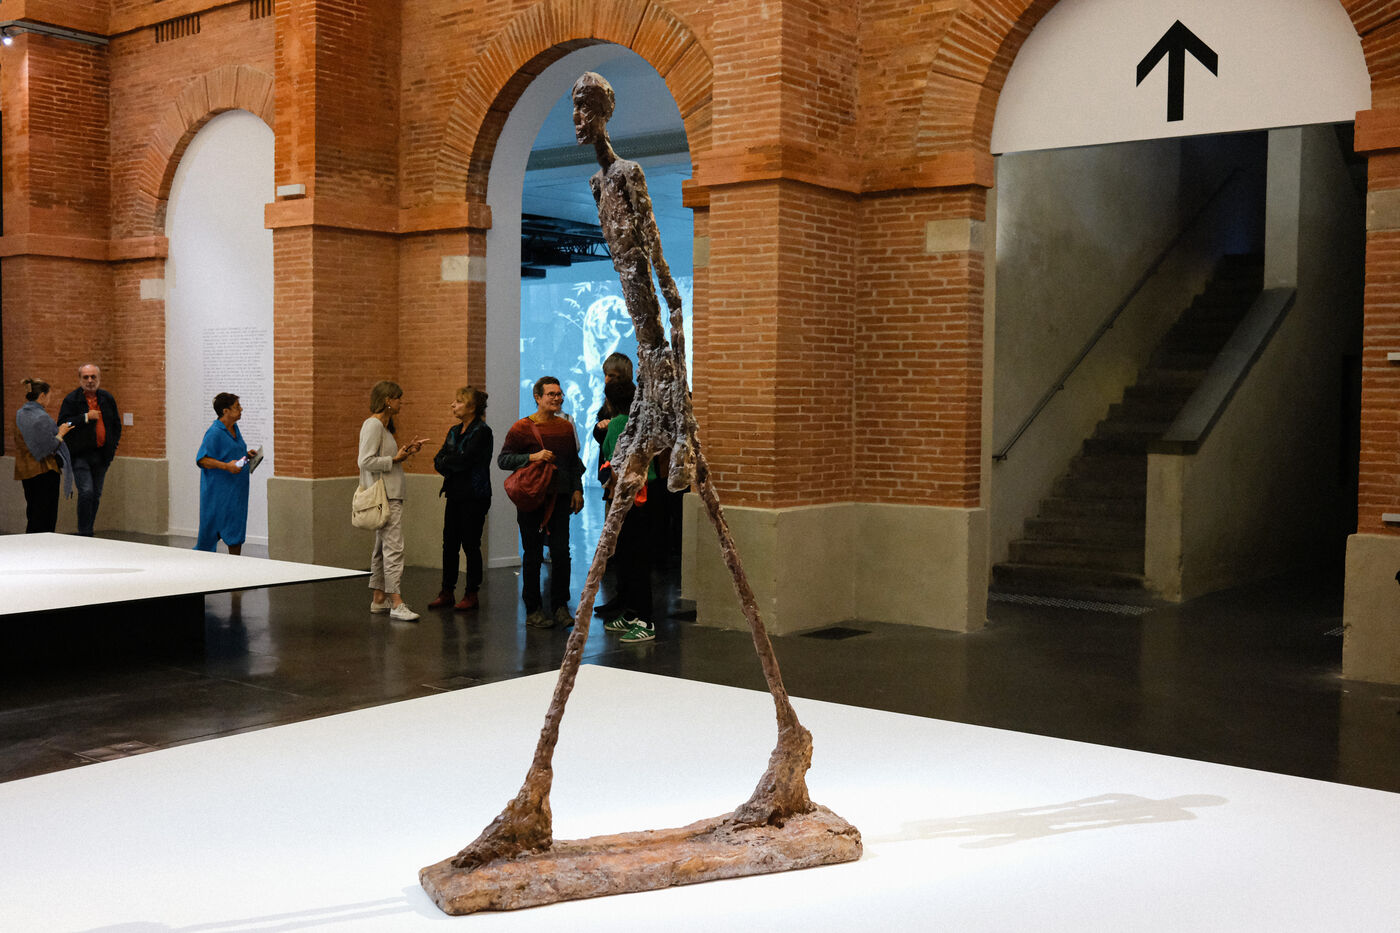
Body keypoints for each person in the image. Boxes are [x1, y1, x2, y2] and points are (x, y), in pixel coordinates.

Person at [498, 376, 584, 629]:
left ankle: (560, 606)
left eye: (559, 394)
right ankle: (533, 609)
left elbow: (573, 462)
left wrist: (577, 490)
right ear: (537, 397)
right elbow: (504, 460)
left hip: (560, 497)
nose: (557, 398)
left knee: (561, 553)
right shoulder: (521, 428)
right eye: (551, 394)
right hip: (532, 498)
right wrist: (532, 457)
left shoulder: (565, 427)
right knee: (533, 554)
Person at [359, 380, 428, 622]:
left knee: (382, 548)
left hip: (390, 493)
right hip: (386, 495)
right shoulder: (374, 425)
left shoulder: (384, 427)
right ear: (388, 400)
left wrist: (403, 454)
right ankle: (396, 601)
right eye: (398, 398)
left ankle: (379, 598)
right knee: (394, 548)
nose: (402, 402)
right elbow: (365, 461)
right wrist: (394, 460)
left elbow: (381, 458)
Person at [596, 378, 655, 642]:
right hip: (647, 495)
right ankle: (632, 614)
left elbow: (611, 460)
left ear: (609, 402)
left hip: (631, 499)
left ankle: (646, 620)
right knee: (633, 558)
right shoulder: (644, 422)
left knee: (634, 560)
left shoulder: (618, 424)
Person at [429, 385, 493, 612]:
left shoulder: (482, 431)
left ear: (472, 407)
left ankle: (471, 593)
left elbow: (465, 460)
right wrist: (451, 461)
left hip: (474, 496)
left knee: (471, 544)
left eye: (458, 401)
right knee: (449, 544)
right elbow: (438, 459)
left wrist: (450, 461)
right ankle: (447, 591)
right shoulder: (454, 431)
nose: (453, 405)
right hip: (455, 494)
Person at [591, 352, 633, 620]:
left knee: (625, 546)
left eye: (613, 376)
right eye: (606, 375)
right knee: (616, 545)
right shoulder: (608, 408)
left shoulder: (625, 412)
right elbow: (600, 437)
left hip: (625, 484)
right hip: (612, 483)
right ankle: (620, 596)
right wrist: (600, 428)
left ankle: (629, 602)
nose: (607, 380)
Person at [57, 363, 121, 536]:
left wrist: (112, 448)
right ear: (80, 379)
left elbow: (116, 425)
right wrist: (85, 417)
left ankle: (88, 530)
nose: (90, 380)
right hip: (80, 456)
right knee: (86, 492)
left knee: (96, 494)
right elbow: (63, 424)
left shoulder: (107, 398)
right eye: (86, 377)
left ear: (99, 378)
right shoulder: (72, 400)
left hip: (102, 456)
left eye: (93, 377)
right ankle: (84, 532)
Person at [194, 393, 258, 554]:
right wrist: (226, 466)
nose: (241, 409)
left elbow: (230, 454)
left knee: (236, 529)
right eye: (237, 407)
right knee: (210, 531)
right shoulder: (214, 432)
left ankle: (235, 565)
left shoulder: (234, 428)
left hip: (236, 491)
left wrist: (246, 456)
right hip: (219, 493)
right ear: (225, 411)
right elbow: (202, 460)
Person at [13, 378, 74, 533]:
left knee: (33, 513)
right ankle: (44, 546)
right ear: (42, 396)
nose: (49, 399)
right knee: (46, 517)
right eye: (49, 396)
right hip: (44, 471)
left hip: (26, 470)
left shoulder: (19, 414)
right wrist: (61, 433)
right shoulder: (42, 417)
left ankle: (31, 545)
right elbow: (49, 447)